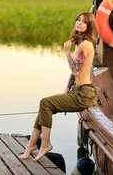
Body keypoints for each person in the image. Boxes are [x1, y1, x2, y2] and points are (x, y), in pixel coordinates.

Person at [19, 11, 98, 161]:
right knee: (45, 106)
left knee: (45, 102)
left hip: (84, 95)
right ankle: (31, 145)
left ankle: (46, 144)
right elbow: (73, 76)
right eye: (78, 20)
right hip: (76, 92)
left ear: (89, 26)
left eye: (84, 22)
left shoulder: (86, 45)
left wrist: (66, 53)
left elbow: (76, 72)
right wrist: (65, 92)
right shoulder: (79, 44)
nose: (79, 23)